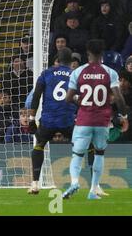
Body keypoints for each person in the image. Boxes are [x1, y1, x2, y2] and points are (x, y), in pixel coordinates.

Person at [63, 39, 129, 200]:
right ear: (102, 54)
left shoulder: (78, 72)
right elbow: (119, 99)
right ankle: (93, 190)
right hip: (102, 121)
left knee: (77, 155)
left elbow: (68, 98)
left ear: (87, 53)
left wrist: (81, 101)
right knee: (99, 153)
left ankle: (74, 182)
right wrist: (124, 117)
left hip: (84, 119)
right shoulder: (110, 73)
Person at [27, 47, 77, 194]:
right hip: (67, 120)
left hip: (48, 120)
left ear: (57, 60)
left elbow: (36, 96)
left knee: (39, 145)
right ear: (71, 61)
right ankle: (91, 185)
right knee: (86, 146)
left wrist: (31, 119)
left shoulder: (46, 73)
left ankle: (35, 184)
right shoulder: (74, 74)